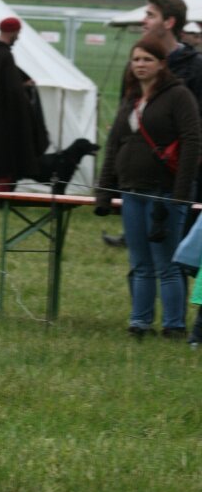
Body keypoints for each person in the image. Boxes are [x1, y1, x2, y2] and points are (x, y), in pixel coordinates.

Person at [95, 33, 201, 339]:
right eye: (136, 59)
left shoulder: (179, 96)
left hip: (165, 194)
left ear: (161, 64)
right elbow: (114, 145)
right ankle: (139, 322)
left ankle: (173, 325)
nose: (140, 64)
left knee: (166, 263)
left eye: (147, 59)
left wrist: (180, 194)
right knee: (139, 262)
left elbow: (192, 142)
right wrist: (104, 192)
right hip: (132, 191)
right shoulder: (131, 97)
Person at [0, 16, 49, 197]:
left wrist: (20, 84)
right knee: (3, 161)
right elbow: (12, 91)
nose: (18, 37)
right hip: (2, 122)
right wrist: (25, 89)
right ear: (13, 32)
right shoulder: (4, 55)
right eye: (18, 33)